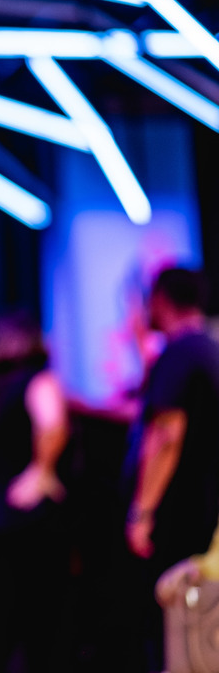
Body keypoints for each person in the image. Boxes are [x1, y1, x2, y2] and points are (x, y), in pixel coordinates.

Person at [124, 266, 219, 671]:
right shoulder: (206, 348)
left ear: (160, 301)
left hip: (180, 515)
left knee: (171, 624)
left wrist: (143, 512)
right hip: (203, 510)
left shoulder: (180, 353)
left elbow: (166, 436)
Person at [0, 311, 70, 673]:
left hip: (9, 518)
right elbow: (53, 424)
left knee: (14, 625)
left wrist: (38, 471)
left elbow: (52, 427)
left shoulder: (9, 387)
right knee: (39, 625)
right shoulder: (32, 383)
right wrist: (40, 473)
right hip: (25, 521)